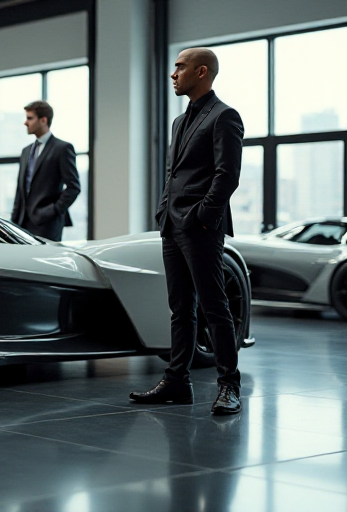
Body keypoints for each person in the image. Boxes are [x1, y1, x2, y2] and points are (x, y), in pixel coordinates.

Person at [130, 48, 244, 415]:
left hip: (201, 227)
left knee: (215, 307)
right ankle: (177, 381)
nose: (173, 73)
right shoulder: (180, 122)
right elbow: (173, 173)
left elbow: (227, 176)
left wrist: (202, 216)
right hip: (172, 224)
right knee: (180, 308)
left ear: (201, 71)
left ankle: (229, 385)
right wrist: (164, 209)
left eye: (179, 67)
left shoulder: (225, 116)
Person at [11, 100, 80, 242]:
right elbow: (21, 189)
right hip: (22, 224)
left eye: (30, 118)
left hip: (47, 224)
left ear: (43, 120)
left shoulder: (62, 148)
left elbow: (74, 187)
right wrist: (13, 221)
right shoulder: (26, 151)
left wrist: (53, 210)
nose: (25, 122)